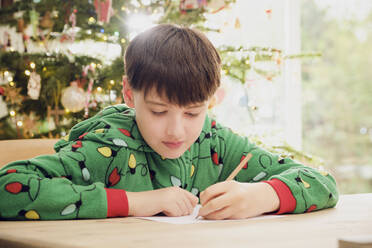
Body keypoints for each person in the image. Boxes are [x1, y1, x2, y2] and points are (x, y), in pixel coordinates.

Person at [0, 24, 338, 220]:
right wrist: (140, 202)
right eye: (159, 112)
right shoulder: (106, 146)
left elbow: (321, 182)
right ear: (130, 95)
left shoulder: (214, 141)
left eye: (192, 112)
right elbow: (8, 188)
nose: (177, 131)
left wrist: (263, 195)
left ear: (211, 101)